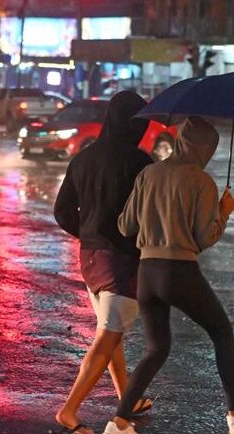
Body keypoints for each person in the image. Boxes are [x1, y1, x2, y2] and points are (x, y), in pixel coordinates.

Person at [102, 117, 234, 434]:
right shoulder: (201, 181)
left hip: (147, 273)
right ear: (206, 148)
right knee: (222, 331)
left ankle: (118, 423)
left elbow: (125, 226)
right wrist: (224, 211)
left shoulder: (148, 173)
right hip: (179, 271)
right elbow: (204, 238)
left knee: (157, 349)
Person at [53, 91, 156, 434]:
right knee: (108, 337)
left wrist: (88, 233)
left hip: (90, 261)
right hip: (123, 263)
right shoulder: (140, 164)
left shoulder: (83, 159)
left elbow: (62, 211)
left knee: (110, 333)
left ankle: (128, 396)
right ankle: (69, 411)